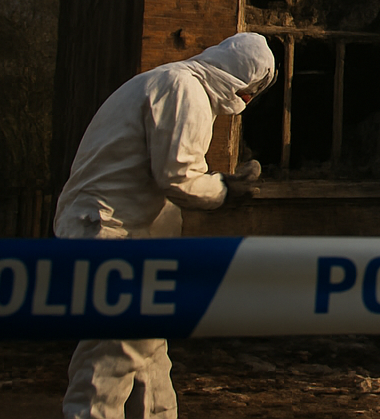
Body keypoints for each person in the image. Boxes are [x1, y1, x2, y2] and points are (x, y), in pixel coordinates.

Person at [54, 32, 276, 419]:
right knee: (113, 353)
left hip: (120, 231)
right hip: (110, 232)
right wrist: (225, 190)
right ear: (240, 78)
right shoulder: (183, 89)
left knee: (149, 356)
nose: (248, 99)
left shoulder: (170, 82)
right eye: (252, 88)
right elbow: (177, 176)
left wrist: (219, 184)